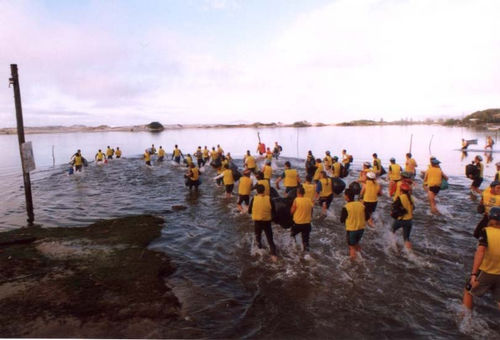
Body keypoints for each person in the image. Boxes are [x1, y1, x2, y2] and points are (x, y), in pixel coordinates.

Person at [462, 206, 500, 312]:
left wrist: (474, 274)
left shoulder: (486, 232)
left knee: (468, 290)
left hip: (487, 271)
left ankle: (466, 318)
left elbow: (480, 252)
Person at [248, 184, 278, 262]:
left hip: (257, 222)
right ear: (264, 190)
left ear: (256, 191)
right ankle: (274, 257)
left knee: (258, 239)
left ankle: (260, 254)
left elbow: (249, 211)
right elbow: (274, 211)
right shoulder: (269, 199)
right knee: (270, 240)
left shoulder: (254, 199)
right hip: (267, 222)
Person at [340, 188, 367, 259]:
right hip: (361, 229)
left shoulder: (346, 207)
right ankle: (362, 256)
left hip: (352, 230)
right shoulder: (361, 205)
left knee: (351, 247)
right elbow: (367, 217)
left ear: (346, 196)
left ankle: (353, 263)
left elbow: (342, 220)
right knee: (356, 243)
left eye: (344, 195)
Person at [290, 186, 314, 252]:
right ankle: (306, 254)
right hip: (307, 224)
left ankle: (294, 250)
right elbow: (311, 211)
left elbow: (292, 211)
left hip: (298, 224)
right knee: (306, 241)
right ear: (304, 193)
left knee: (292, 236)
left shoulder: (296, 200)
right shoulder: (309, 200)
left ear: (297, 193)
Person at [391, 182, 414, 249]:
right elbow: (413, 208)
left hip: (401, 219)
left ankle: (394, 247)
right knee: (406, 238)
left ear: (401, 190)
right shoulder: (411, 198)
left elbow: (394, 207)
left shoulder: (400, 197)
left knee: (391, 230)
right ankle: (410, 253)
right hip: (409, 221)